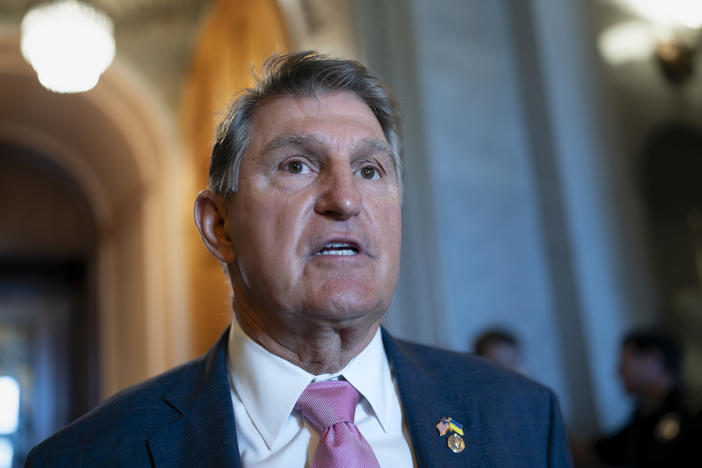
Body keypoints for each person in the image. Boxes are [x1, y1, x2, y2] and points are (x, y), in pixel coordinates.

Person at [25, 51, 572, 467]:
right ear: (220, 227)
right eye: (297, 166)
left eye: (370, 170)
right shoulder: (90, 455)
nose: (346, 199)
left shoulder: (520, 417)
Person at [573, 329, 700, 468]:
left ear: (654, 359)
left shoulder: (692, 412)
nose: (619, 371)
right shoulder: (643, 419)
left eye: (625, 361)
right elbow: (596, 455)